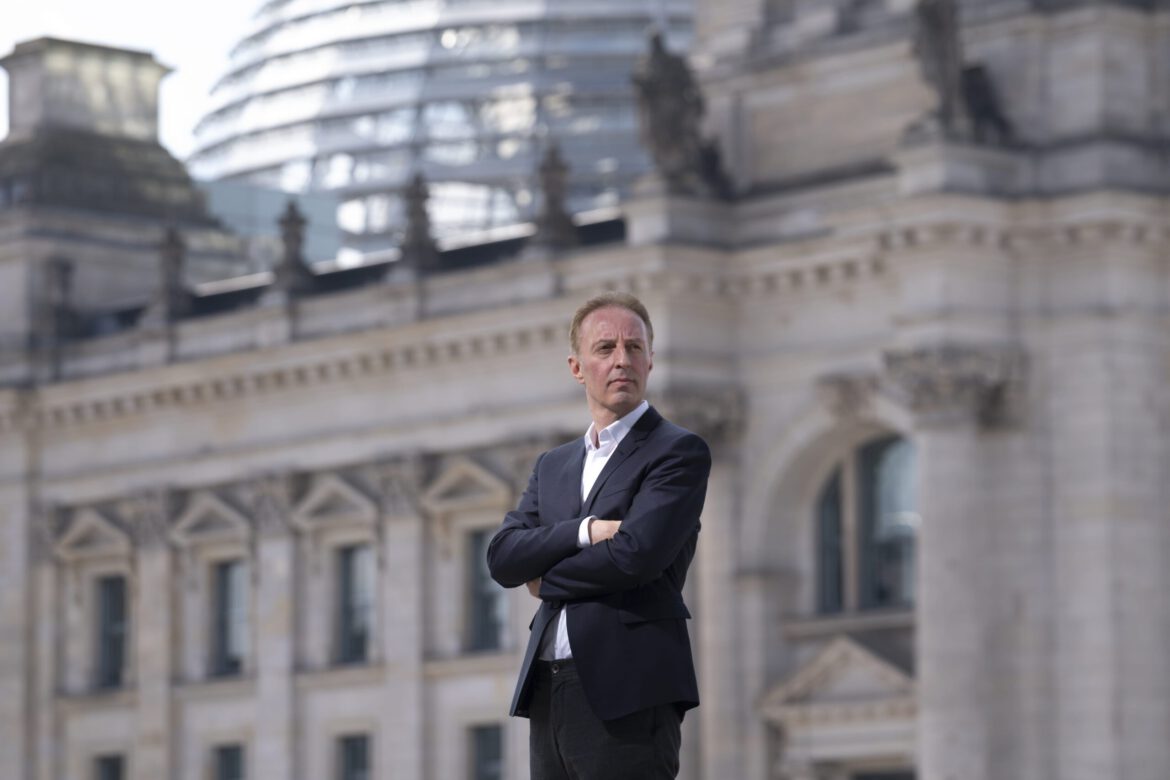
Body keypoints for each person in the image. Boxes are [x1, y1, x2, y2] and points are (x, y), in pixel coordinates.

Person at [487, 292, 711, 779]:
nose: (622, 360)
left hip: (630, 688)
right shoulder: (553, 465)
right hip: (548, 687)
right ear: (577, 367)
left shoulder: (677, 451)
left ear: (650, 360)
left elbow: (636, 556)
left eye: (634, 347)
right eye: (606, 348)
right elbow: (502, 558)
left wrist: (545, 580)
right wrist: (584, 532)